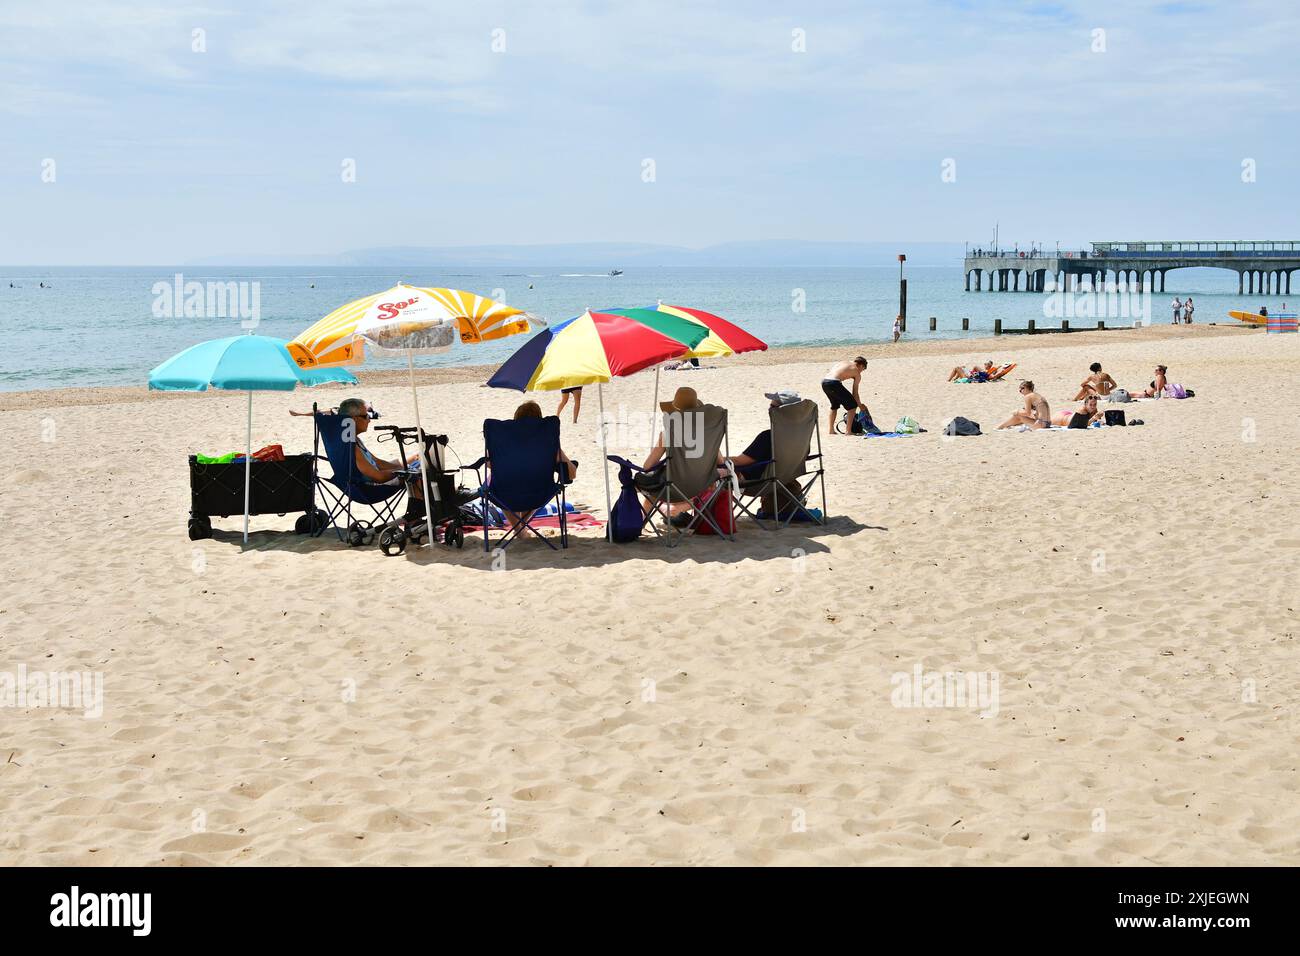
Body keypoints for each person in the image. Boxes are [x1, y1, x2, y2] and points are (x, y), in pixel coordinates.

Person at [638, 386, 720, 527]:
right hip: (703, 484)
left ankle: (641, 522)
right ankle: (677, 510)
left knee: (650, 484)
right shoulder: (707, 433)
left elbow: (647, 466)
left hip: (674, 487)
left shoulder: (668, 433)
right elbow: (720, 461)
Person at [495, 401, 577, 531]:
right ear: (539, 420)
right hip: (539, 492)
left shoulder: (504, 443)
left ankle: (518, 529)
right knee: (533, 478)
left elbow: (490, 464)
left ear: (516, 420)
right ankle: (522, 527)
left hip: (505, 493)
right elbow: (572, 473)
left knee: (495, 482)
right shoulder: (548, 443)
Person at [821, 357, 870, 435]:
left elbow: (837, 373)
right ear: (861, 366)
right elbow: (855, 393)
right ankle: (848, 431)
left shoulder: (844, 362)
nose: (861, 371)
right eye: (863, 369)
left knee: (834, 406)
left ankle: (831, 430)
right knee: (853, 406)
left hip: (824, 382)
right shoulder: (857, 372)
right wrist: (860, 405)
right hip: (834, 383)